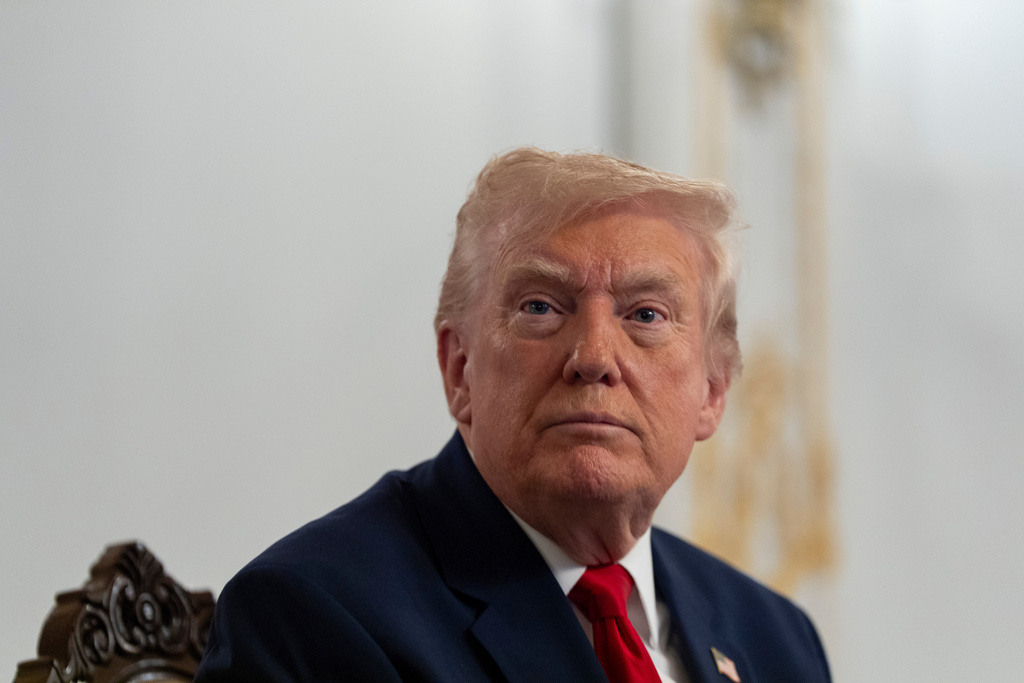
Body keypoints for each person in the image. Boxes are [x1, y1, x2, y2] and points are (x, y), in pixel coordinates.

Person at [195, 148, 831, 682]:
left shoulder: (776, 639)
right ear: (459, 367)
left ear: (713, 391)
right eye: (541, 307)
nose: (594, 357)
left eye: (645, 315)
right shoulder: (313, 614)